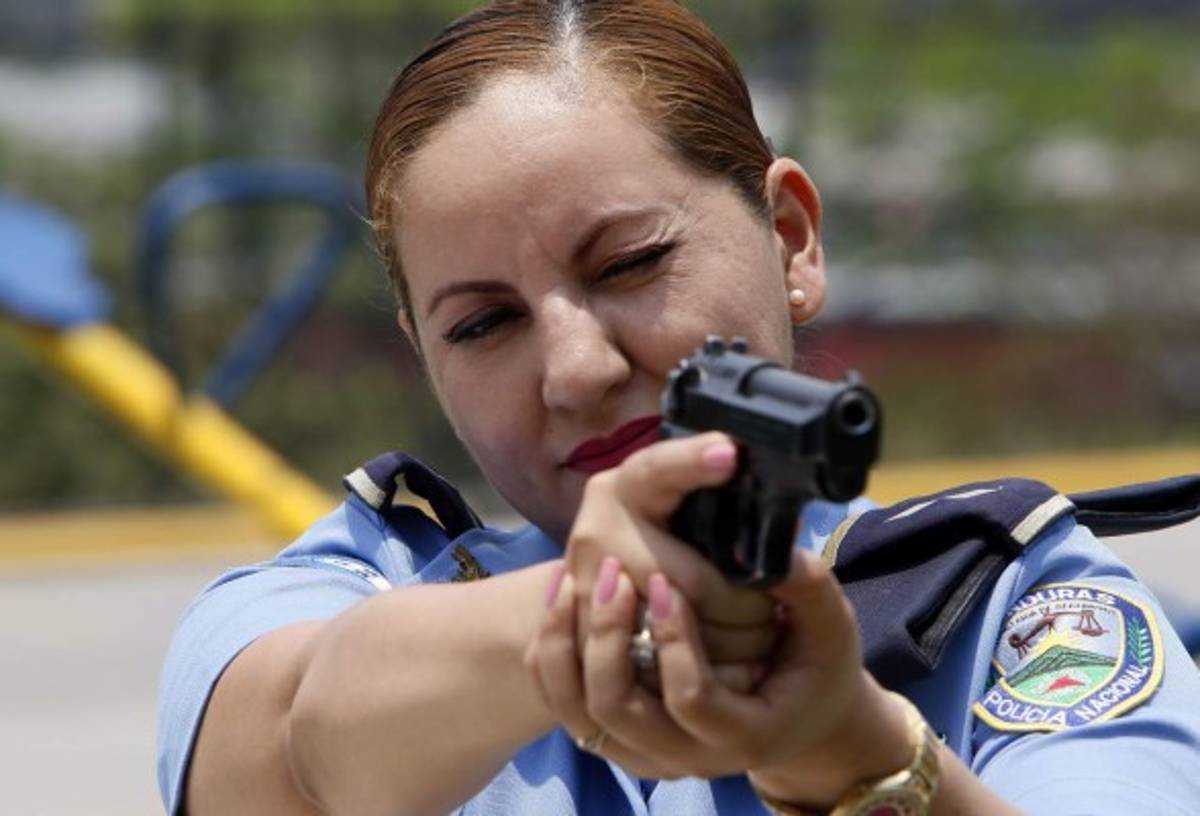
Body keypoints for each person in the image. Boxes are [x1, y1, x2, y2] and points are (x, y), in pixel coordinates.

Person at [157, 1, 1200, 814]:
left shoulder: (1010, 609)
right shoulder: (361, 584)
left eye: (631, 262)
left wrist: (849, 749)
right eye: (482, 326)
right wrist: (603, 611)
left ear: (791, 238)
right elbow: (292, 750)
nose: (575, 368)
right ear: (420, 353)